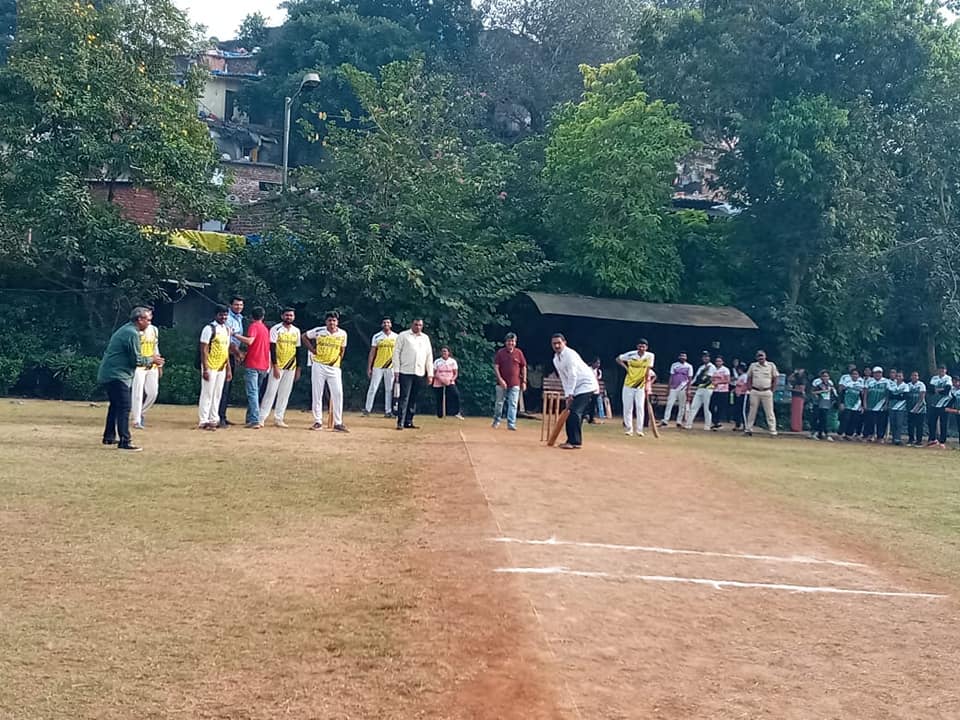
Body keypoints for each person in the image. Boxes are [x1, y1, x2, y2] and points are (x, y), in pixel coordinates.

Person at [97, 306, 164, 451]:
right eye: (148, 320)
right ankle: (125, 441)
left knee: (115, 406)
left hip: (111, 373)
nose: (149, 323)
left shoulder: (127, 329)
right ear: (139, 319)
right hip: (117, 375)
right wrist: (152, 360)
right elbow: (137, 360)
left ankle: (109, 437)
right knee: (124, 406)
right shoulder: (131, 333)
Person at [303, 311, 350, 432]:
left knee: (338, 393)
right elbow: (304, 336)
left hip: (334, 367)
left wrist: (337, 360)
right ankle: (318, 421)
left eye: (334, 320)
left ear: (337, 322)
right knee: (317, 393)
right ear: (326, 322)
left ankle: (338, 422)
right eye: (330, 320)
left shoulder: (343, 334)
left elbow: (342, 350)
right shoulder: (319, 331)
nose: (332, 323)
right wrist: (313, 350)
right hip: (319, 365)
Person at [551, 334, 599, 450]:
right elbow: (563, 378)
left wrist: (569, 394)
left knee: (574, 412)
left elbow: (573, 375)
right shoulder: (556, 359)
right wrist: (567, 393)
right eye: (554, 343)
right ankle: (571, 440)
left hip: (586, 385)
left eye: (559, 343)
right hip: (576, 387)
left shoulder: (570, 355)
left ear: (564, 343)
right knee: (572, 413)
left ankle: (575, 442)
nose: (557, 345)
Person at [259, 308, 302, 428]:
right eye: (287, 315)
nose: (289, 317)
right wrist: (275, 366)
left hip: (291, 366)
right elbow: (272, 348)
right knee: (271, 391)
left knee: (285, 393)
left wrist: (298, 368)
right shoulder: (276, 329)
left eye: (291, 315)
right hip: (278, 365)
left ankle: (279, 418)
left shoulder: (296, 331)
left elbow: (298, 350)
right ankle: (262, 417)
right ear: (282, 316)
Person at [393, 318, 434, 430]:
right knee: (404, 397)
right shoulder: (403, 335)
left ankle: (409, 421)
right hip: (405, 370)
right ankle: (400, 421)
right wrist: (396, 370)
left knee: (414, 398)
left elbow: (429, 356)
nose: (418, 327)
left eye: (420, 325)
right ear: (412, 324)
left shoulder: (425, 338)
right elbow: (396, 353)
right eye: (416, 325)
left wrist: (430, 373)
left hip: (419, 371)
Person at [198, 305, 232, 431]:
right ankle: (203, 420)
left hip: (221, 366)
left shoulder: (227, 329)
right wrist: (205, 368)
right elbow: (204, 349)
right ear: (216, 315)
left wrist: (228, 368)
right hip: (210, 365)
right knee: (207, 393)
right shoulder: (209, 328)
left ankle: (214, 418)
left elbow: (226, 350)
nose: (223, 317)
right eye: (221, 315)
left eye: (225, 315)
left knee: (217, 394)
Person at [239, 307, 271, 429]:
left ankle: (255, 420)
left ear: (252, 317)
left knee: (252, 392)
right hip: (263, 364)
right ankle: (250, 417)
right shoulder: (265, 329)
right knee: (256, 392)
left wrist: (235, 335)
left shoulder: (253, 326)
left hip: (253, 364)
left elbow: (250, 341)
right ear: (263, 317)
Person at [616, 338, 656, 437]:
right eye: (640, 346)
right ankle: (629, 429)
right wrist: (626, 368)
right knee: (628, 407)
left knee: (639, 407)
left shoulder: (650, 356)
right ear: (637, 346)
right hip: (628, 384)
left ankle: (639, 430)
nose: (641, 348)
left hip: (640, 385)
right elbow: (618, 359)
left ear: (646, 347)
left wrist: (647, 384)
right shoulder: (631, 354)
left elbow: (648, 371)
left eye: (643, 346)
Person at [217, 295, 245, 428]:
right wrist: (237, 353)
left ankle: (223, 415)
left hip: (233, 355)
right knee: (223, 387)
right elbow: (229, 341)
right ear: (230, 305)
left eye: (240, 305)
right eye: (236, 305)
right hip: (225, 354)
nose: (238, 307)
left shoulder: (239, 318)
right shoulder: (228, 319)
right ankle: (218, 417)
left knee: (228, 388)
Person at [493, 333, 528, 431]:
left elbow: (524, 367)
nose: (511, 343)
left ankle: (511, 423)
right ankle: (496, 420)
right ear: (506, 342)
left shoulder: (519, 353)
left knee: (513, 404)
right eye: (509, 341)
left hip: (515, 383)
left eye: (513, 341)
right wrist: (500, 380)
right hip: (501, 383)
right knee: (499, 403)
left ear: (515, 342)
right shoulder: (500, 352)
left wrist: (524, 381)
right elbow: (496, 367)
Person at [363, 318, 397, 418]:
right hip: (378, 366)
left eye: (388, 322)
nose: (386, 324)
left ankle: (388, 411)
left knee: (389, 389)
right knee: (373, 387)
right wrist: (369, 367)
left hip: (391, 366)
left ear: (391, 324)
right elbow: (372, 352)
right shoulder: (377, 336)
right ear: (382, 324)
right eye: (384, 322)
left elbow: (398, 353)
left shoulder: (396, 337)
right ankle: (367, 409)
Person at [130, 317, 160, 429]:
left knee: (153, 392)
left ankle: (141, 412)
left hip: (152, 364)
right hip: (139, 365)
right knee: (137, 393)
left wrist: (159, 364)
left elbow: (155, 347)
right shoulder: (135, 331)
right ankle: (136, 420)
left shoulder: (154, 329)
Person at [744, 349, 780, 437]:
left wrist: (772, 389)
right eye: (759, 356)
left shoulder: (771, 365)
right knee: (752, 411)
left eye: (762, 356)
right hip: (755, 391)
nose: (760, 358)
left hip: (767, 391)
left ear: (765, 356)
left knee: (769, 412)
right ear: (756, 357)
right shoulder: (753, 366)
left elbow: (775, 378)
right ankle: (748, 429)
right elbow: (749, 377)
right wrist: (749, 388)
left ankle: (772, 431)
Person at [684, 351, 715, 431]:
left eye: (707, 356)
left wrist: (701, 383)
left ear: (709, 358)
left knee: (707, 408)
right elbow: (696, 378)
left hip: (708, 389)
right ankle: (688, 424)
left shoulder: (711, 367)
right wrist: (689, 385)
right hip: (700, 389)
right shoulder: (701, 367)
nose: (705, 358)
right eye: (704, 356)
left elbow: (709, 379)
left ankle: (707, 425)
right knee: (694, 406)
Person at [661, 352, 693, 428]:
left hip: (683, 387)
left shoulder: (689, 366)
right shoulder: (674, 365)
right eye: (681, 356)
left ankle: (679, 421)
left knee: (682, 405)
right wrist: (668, 388)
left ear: (686, 357)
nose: (683, 357)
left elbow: (690, 378)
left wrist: (688, 389)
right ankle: (665, 420)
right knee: (669, 404)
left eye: (684, 356)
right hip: (674, 387)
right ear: (679, 357)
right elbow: (671, 376)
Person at [432, 346, 463, 419]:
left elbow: (455, 373)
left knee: (455, 395)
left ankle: (456, 412)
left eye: (445, 351)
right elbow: (434, 372)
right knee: (439, 398)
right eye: (442, 351)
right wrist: (441, 379)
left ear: (448, 353)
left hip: (450, 381)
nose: (444, 353)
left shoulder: (452, 361)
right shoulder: (437, 361)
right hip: (439, 381)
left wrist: (451, 380)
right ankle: (439, 415)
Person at [862, 366, 890, 443]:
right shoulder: (869, 381)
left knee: (881, 422)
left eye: (879, 373)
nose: (877, 374)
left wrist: (886, 404)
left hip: (881, 406)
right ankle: (870, 435)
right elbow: (865, 393)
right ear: (873, 374)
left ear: (882, 373)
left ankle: (880, 437)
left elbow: (888, 394)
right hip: (870, 405)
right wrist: (864, 403)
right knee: (869, 421)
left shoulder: (886, 381)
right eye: (876, 373)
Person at [927, 364, 952, 448]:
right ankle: (932, 439)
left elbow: (947, 390)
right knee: (931, 422)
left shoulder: (948, 378)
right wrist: (940, 390)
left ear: (945, 370)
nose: (941, 371)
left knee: (943, 423)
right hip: (934, 403)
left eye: (943, 370)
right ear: (938, 370)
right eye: (940, 370)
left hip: (944, 404)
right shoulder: (934, 378)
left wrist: (937, 390)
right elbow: (930, 389)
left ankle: (942, 441)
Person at [809, 370, 836, 441]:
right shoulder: (817, 383)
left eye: (827, 376)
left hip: (826, 402)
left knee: (824, 419)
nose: (825, 378)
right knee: (816, 417)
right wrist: (822, 392)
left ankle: (823, 433)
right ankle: (814, 432)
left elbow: (833, 393)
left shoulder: (830, 383)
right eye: (824, 376)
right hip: (818, 402)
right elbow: (812, 392)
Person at [839, 368, 864, 441]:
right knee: (845, 419)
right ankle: (840, 433)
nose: (855, 376)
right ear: (851, 375)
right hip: (847, 404)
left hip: (856, 405)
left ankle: (849, 434)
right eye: (853, 374)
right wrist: (841, 403)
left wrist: (862, 405)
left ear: (858, 375)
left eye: (856, 374)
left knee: (854, 420)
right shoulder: (847, 383)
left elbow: (862, 395)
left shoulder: (861, 384)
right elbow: (842, 393)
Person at [709, 356, 731, 430]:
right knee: (711, 406)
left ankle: (717, 422)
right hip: (715, 390)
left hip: (723, 391)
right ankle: (715, 421)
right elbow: (711, 378)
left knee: (720, 407)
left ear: (722, 362)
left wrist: (718, 382)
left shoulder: (725, 370)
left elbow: (728, 380)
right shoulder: (713, 369)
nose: (718, 363)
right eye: (717, 361)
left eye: (719, 361)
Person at [887, 371, 909, 446]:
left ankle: (898, 439)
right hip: (892, 407)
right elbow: (890, 395)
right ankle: (893, 439)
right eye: (897, 376)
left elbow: (904, 397)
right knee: (893, 423)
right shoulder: (892, 385)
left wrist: (896, 395)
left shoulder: (905, 386)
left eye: (900, 376)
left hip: (901, 408)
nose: (898, 377)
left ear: (903, 377)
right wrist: (899, 395)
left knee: (899, 424)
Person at [906, 371, 927, 447]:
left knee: (919, 425)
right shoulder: (908, 385)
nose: (914, 377)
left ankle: (919, 441)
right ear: (911, 376)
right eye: (913, 375)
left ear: (918, 377)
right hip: (910, 408)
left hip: (920, 409)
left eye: (916, 375)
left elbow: (922, 397)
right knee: (910, 425)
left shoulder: (921, 385)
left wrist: (917, 408)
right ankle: (911, 439)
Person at [787, 368, 808, 433]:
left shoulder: (802, 380)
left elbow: (801, 389)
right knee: (794, 412)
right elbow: (789, 379)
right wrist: (794, 373)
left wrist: (791, 389)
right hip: (795, 396)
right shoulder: (796, 378)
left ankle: (797, 427)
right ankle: (794, 426)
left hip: (799, 396)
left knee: (797, 412)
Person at [733, 362, 749, 430]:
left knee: (743, 410)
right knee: (737, 410)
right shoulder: (740, 376)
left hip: (744, 394)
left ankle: (746, 426)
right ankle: (738, 424)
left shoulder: (745, 376)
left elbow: (746, 386)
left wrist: (741, 391)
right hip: (738, 394)